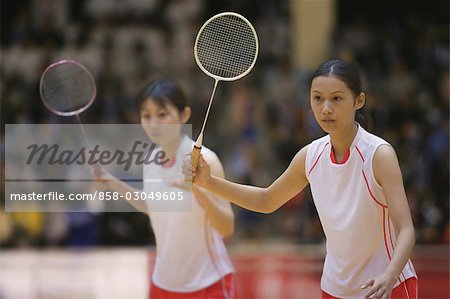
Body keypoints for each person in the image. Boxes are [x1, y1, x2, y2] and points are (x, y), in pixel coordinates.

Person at [183, 59, 418, 299]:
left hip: (385, 287)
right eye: (317, 98)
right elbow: (266, 200)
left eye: (336, 98)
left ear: (359, 101)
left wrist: (389, 276)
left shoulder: (379, 155)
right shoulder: (310, 156)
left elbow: (406, 230)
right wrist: (208, 182)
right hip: (335, 289)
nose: (326, 108)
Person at [94, 79, 235, 299]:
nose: (154, 123)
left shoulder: (206, 161)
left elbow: (227, 227)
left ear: (184, 115)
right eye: (146, 115)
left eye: (162, 114)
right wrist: (113, 183)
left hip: (208, 283)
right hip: (163, 284)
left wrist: (200, 193)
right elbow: (155, 206)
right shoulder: (150, 161)